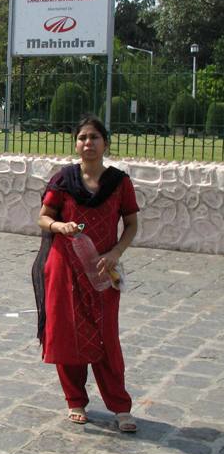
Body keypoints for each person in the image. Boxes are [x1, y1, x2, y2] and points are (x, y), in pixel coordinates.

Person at [32, 115, 139, 433]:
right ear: (75, 143)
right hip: (64, 270)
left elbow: (131, 224)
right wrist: (59, 226)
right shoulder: (63, 180)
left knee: (106, 339)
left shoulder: (119, 183)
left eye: (94, 137)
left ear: (105, 143)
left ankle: (120, 406)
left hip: (102, 272)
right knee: (68, 336)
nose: (88, 143)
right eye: (82, 137)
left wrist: (116, 252)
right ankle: (75, 400)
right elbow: (42, 218)